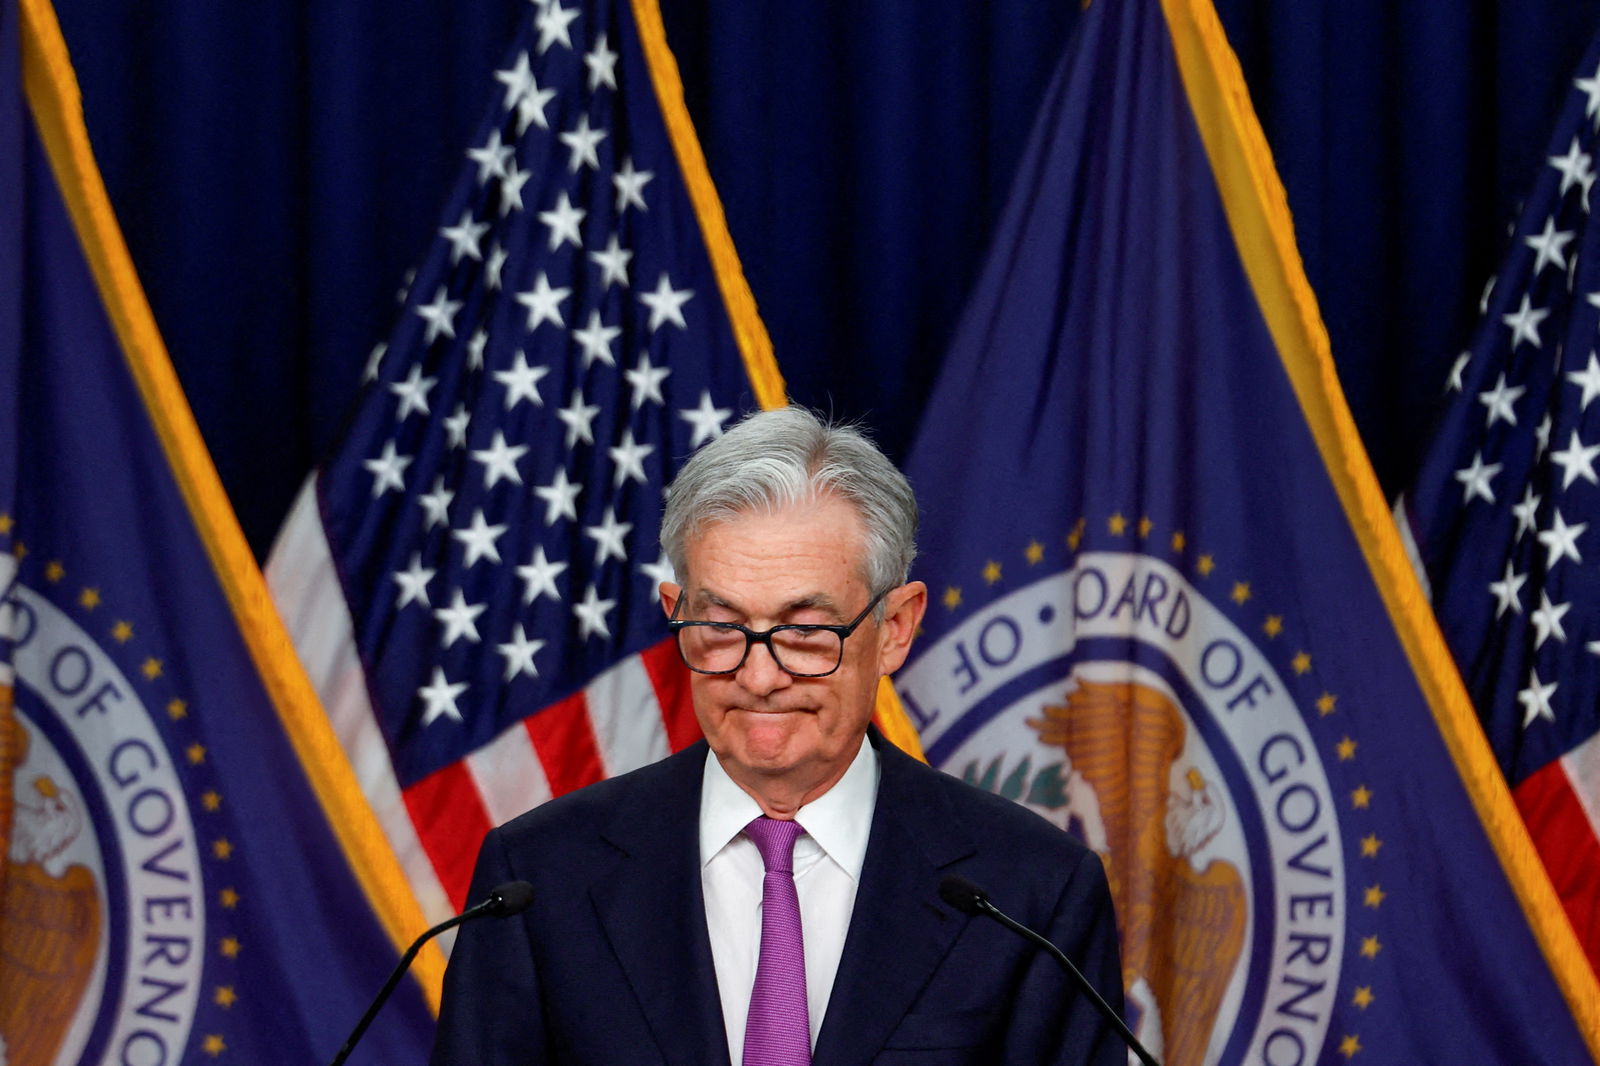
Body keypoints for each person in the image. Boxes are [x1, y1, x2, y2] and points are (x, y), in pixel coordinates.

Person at [430, 406, 1126, 1065]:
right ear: (676, 613)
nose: (759, 676)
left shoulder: (1030, 892)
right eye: (723, 627)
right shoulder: (540, 878)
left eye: (804, 631)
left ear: (895, 629)